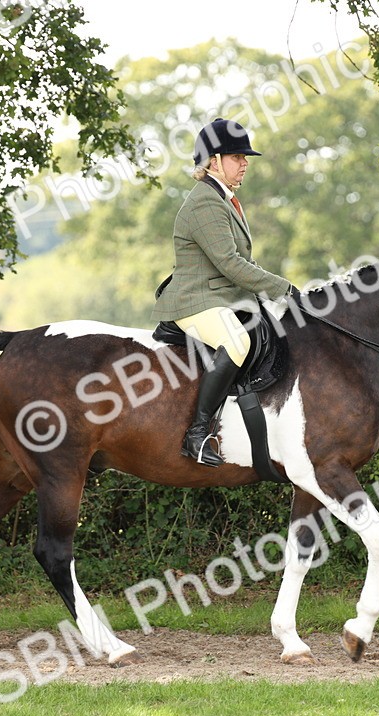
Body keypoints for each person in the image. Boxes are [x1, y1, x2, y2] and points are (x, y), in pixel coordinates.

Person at [153, 118, 293, 466]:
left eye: (245, 157)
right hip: (195, 299)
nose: (245, 163)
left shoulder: (224, 199)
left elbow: (243, 260)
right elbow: (231, 263)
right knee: (237, 341)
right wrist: (283, 288)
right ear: (213, 161)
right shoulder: (204, 202)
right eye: (236, 157)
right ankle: (197, 433)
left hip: (222, 296)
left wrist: (268, 293)